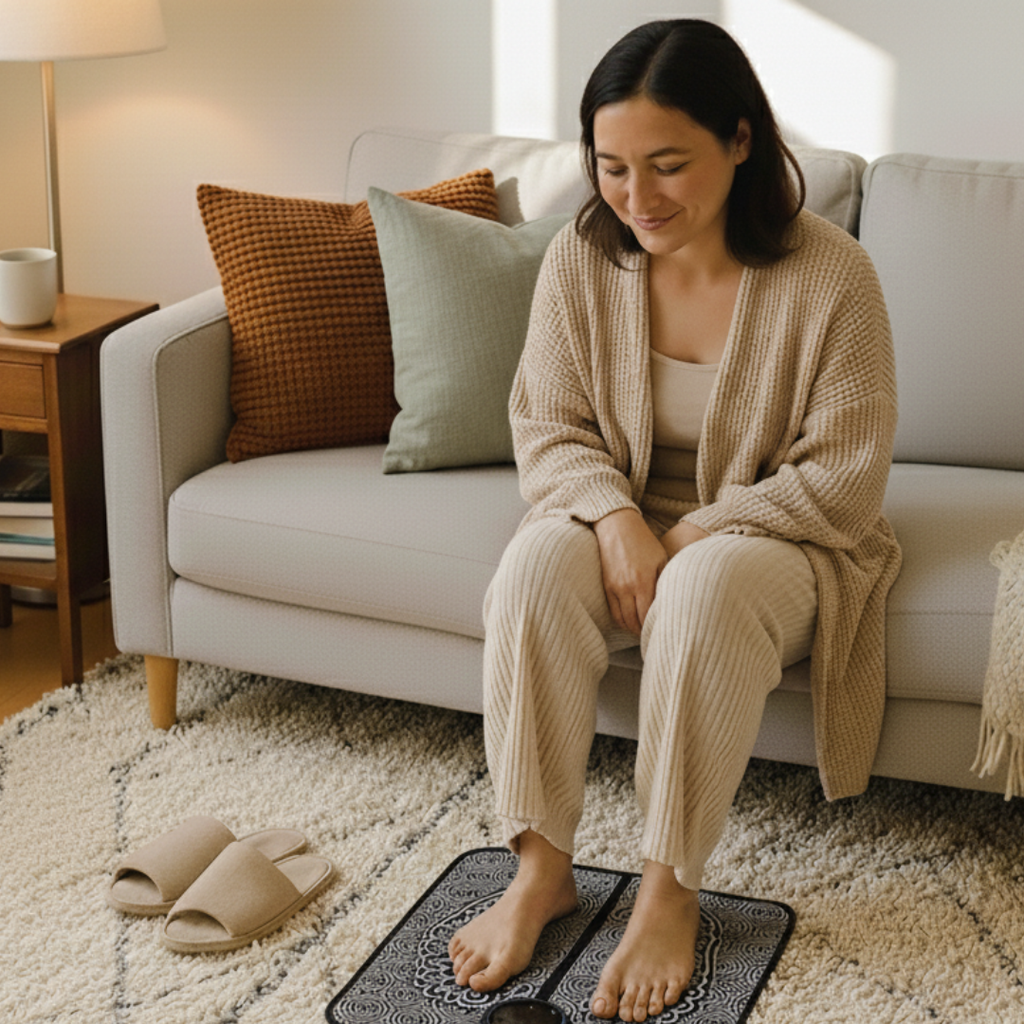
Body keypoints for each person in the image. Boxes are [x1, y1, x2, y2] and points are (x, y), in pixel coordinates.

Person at [448, 18, 901, 1023]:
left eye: (666, 165)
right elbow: (547, 427)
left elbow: (845, 479)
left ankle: (668, 889)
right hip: (617, 508)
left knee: (696, 588)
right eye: (611, 167)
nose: (637, 198)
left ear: (740, 141)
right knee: (531, 570)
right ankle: (540, 867)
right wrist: (616, 517)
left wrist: (693, 533)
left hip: (781, 536)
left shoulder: (833, 276)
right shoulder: (582, 256)